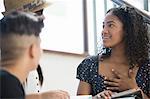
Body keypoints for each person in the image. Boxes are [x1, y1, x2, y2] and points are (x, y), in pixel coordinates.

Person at [76, 6, 150, 99]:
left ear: (128, 30)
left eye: (110, 25)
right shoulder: (90, 64)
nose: (103, 31)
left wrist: (134, 89)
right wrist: (96, 98)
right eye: (103, 26)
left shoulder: (147, 67)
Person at [0, 11, 69, 99]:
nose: (41, 51)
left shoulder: (7, 84)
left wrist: (40, 97)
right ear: (32, 50)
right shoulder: (9, 86)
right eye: (39, 45)